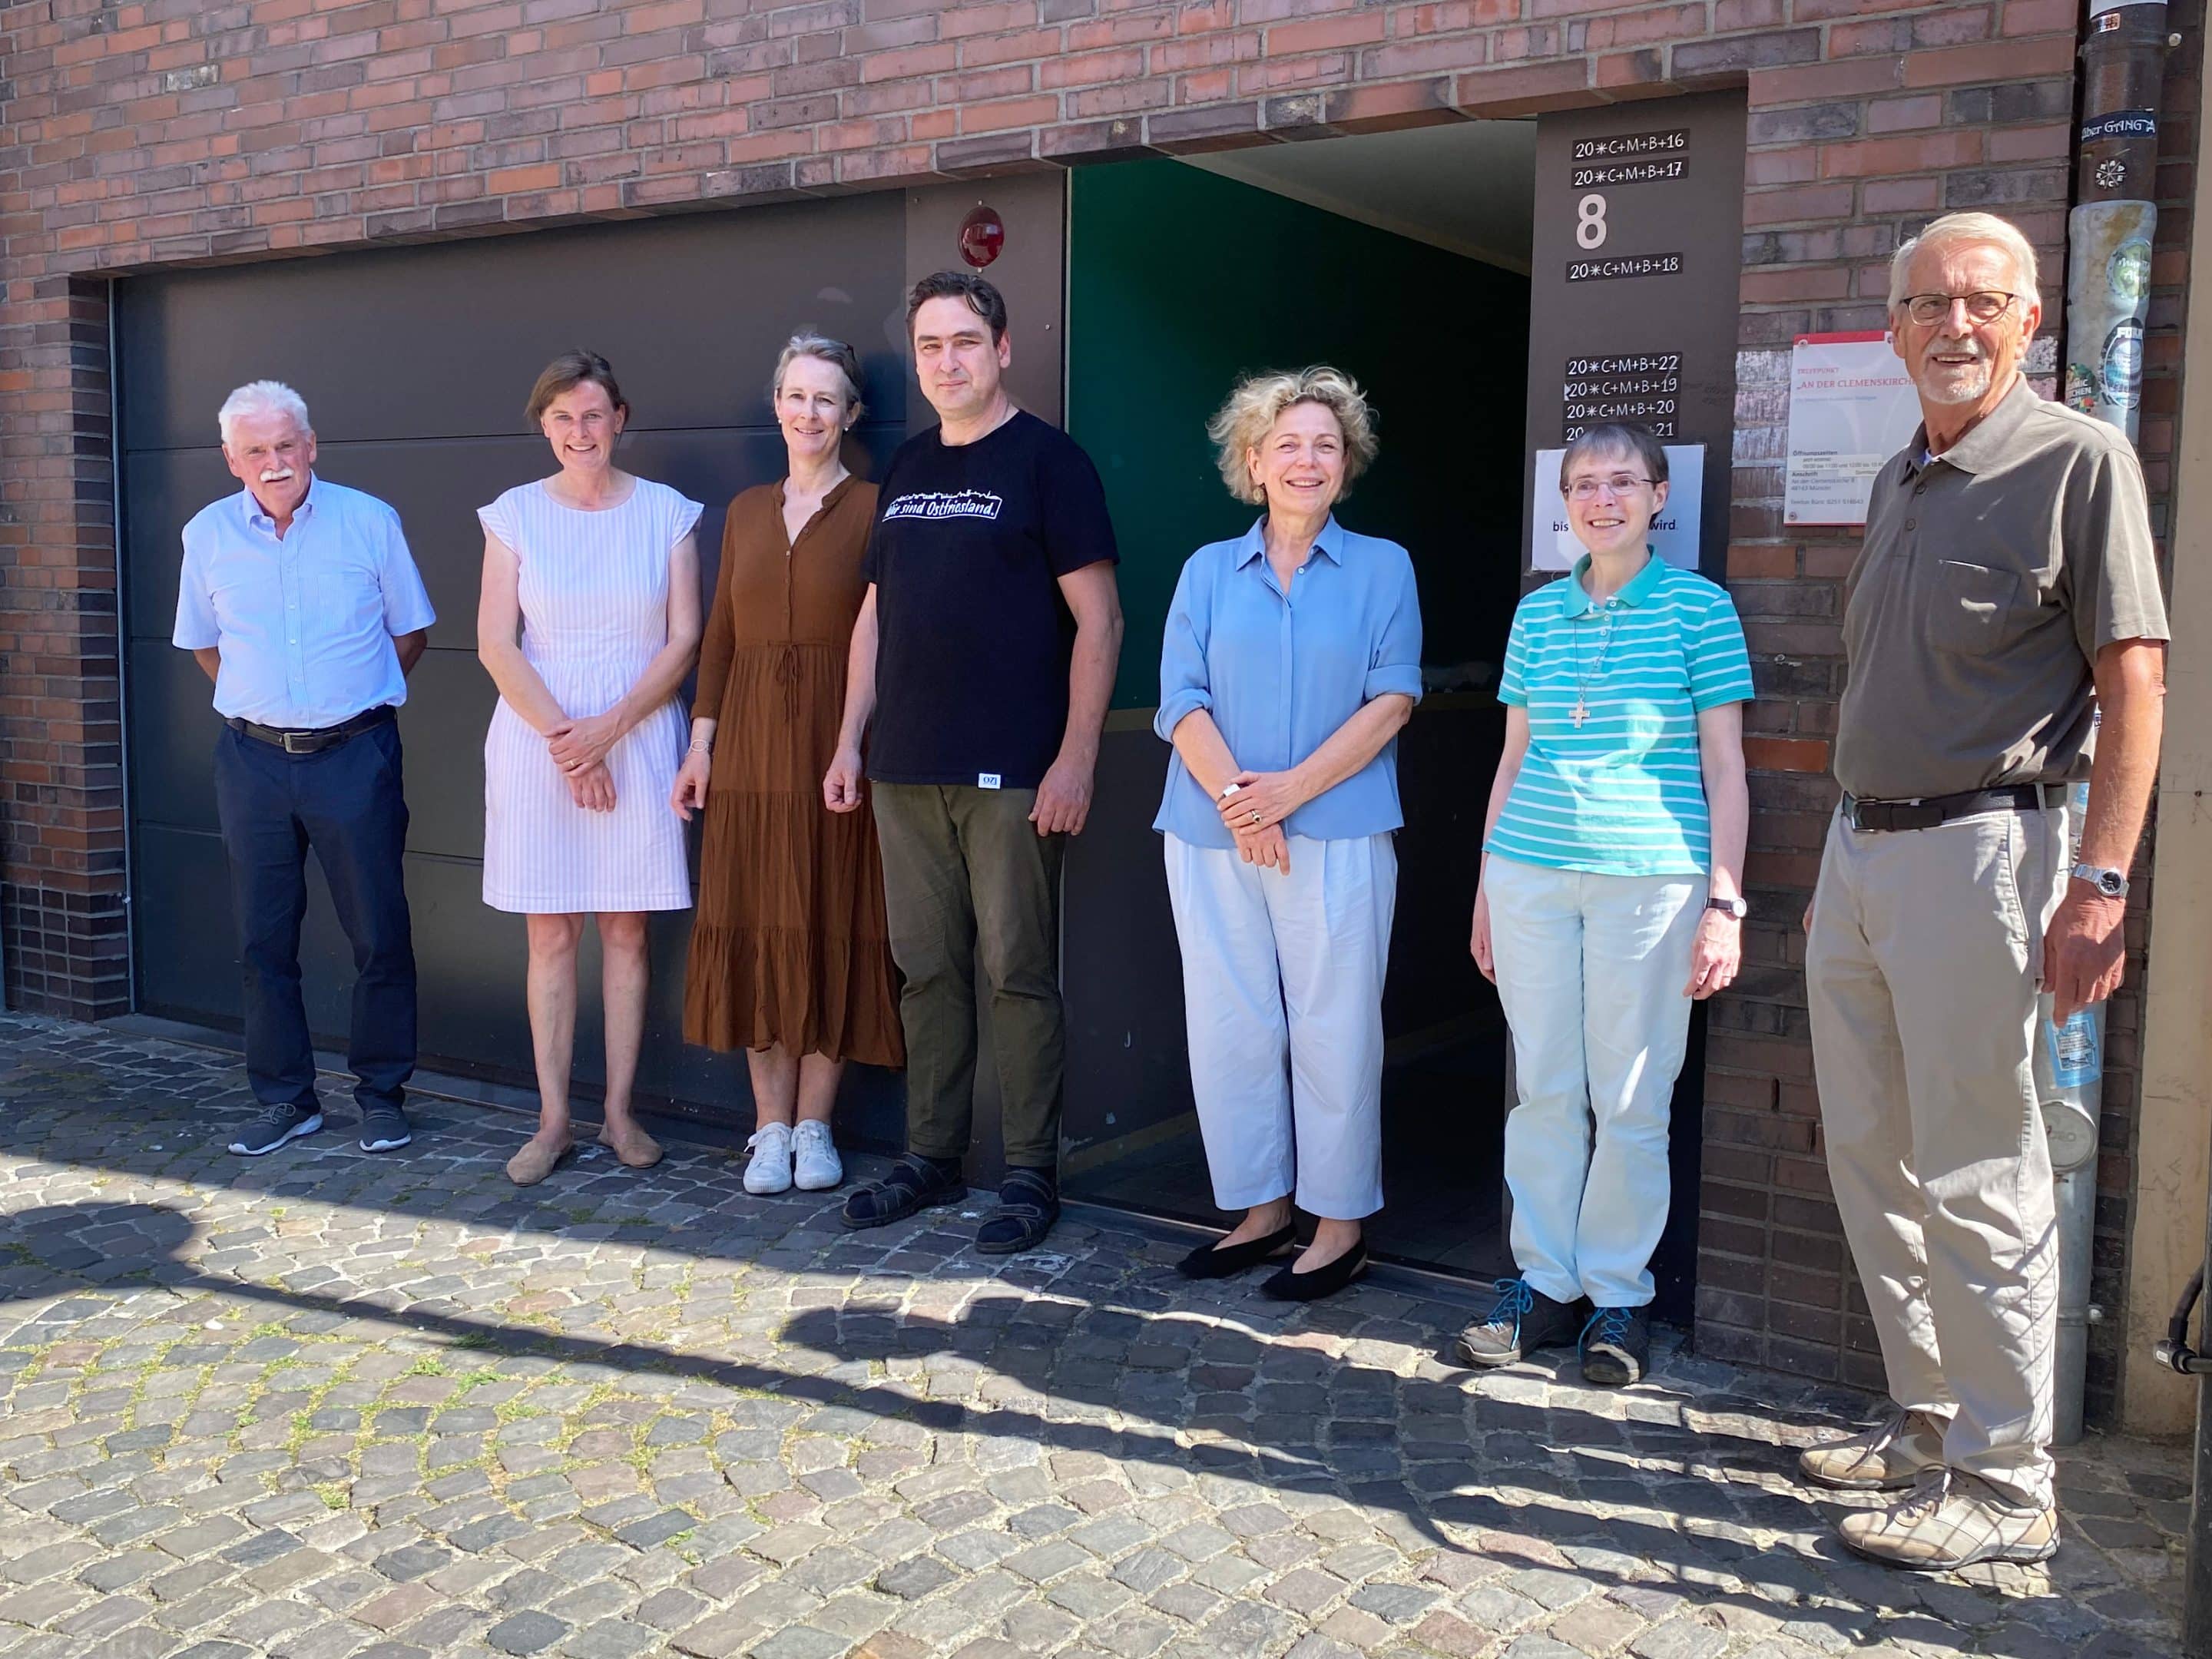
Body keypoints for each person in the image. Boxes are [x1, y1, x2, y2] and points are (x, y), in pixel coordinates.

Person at [1796, 211, 2167, 1570]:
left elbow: (2138, 682)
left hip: (1986, 857)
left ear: (2030, 323)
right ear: (1894, 325)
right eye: (1929, 304)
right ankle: (1926, 1422)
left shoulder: (2080, 460)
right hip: (1861, 851)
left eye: (1984, 302)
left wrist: (2102, 884)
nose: (1955, 325)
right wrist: (1843, 862)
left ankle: (2008, 1492)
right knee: (1870, 1157)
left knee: (1980, 1172)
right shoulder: (1903, 475)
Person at [826, 271, 1122, 1254]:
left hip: (1014, 773)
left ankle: (1031, 1171)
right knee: (926, 973)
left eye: (963, 341)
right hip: (903, 768)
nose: (946, 361)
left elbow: (1100, 619)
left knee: (1017, 975)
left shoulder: (1051, 464)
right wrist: (848, 739)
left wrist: (1076, 757)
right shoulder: (907, 466)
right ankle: (932, 1155)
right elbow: (875, 615)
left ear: (1002, 349)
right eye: (929, 346)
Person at [1457, 422, 1752, 1385]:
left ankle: (1620, 1298)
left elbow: (1726, 767)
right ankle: (1543, 1285)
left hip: (1651, 878)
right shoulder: (1537, 616)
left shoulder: (1700, 609)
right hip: (1530, 871)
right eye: (1584, 484)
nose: (1603, 499)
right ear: (1567, 504)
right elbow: (1508, 759)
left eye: (1623, 482)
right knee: (1544, 1086)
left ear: (1659, 496)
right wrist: (1485, 889)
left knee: (1631, 1094)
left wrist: (1725, 901)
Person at [1153, 368, 1422, 1302]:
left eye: (1326, 445)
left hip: (1339, 833)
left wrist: (1288, 796)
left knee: (1335, 1027)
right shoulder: (1203, 572)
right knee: (1230, 1025)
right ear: (1253, 460)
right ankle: (1262, 1211)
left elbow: (1393, 698)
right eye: (1289, 444)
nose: (1307, 461)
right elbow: (1179, 700)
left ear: (1346, 464)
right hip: (1205, 832)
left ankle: (1339, 1223)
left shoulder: (1384, 566)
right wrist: (1239, 801)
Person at [174, 380, 436, 1158]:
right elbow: (205, 646)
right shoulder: (207, 535)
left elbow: (409, 634)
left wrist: (347, 701)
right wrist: (266, 707)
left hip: (355, 756)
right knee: (262, 940)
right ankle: (287, 1098)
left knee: (380, 933)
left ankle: (383, 1095)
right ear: (232, 460)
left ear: (311, 445)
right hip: (252, 762)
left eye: (287, 445)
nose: (275, 461)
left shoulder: (369, 521)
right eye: (256, 450)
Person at [673, 336, 902, 1196]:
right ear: (776, 404)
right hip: (749, 749)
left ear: (850, 415)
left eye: (826, 400)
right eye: (796, 396)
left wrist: (852, 738)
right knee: (759, 923)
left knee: (830, 919)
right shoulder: (741, 511)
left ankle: (817, 1124)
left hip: (839, 745)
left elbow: (882, 641)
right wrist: (701, 747)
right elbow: (722, 641)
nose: (809, 414)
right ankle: (767, 1129)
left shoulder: (880, 506)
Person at [476, 350, 704, 1187]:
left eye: (595, 415)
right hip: (541, 744)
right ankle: (551, 1120)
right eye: (565, 418)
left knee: (627, 930)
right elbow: (498, 644)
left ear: (620, 420)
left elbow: (683, 641)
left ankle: (617, 1114)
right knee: (550, 932)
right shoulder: (511, 517)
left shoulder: (669, 514)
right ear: (545, 425)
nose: (581, 432)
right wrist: (570, 746)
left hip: (638, 738)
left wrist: (606, 735)